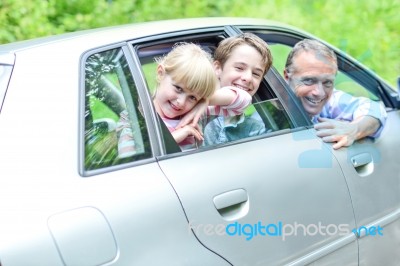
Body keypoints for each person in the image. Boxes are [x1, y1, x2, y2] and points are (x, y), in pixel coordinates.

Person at [117, 42, 252, 155]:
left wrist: (205, 101)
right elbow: (130, 159)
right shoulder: (135, 119)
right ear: (161, 74)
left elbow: (244, 100)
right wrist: (174, 138)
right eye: (178, 88)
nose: (181, 102)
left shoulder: (194, 114)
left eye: (192, 97)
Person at [283, 39, 387, 149]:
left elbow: (374, 109)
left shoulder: (329, 102)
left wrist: (354, 130)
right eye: (309, 81)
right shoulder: (266, 107)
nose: (319, 92)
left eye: (327, 82)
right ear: (286, 76)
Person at [179, 33, 273, 145]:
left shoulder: (255, 128)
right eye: (239, 68)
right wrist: (198, 99)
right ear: (218, 68)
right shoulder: (182, 102)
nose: (248, 78)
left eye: (256, 74)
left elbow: (244, 99)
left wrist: (205, 99)